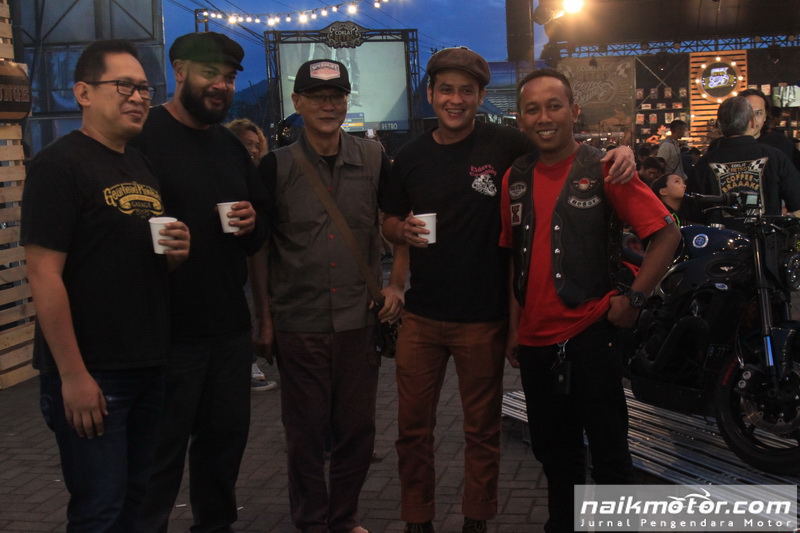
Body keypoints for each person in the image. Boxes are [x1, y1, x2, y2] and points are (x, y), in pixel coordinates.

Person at [381, 48, 636, 533]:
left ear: (480, 97)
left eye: (467, 91)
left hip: (484, 317)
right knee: (412, 431)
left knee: (482, 431)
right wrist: (401, 230)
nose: (456, 100)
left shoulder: (506, 144)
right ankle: (417, 519)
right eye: (446, 89)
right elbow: (388, 220)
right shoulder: (410, 156)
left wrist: (622, 152)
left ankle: (476, 520)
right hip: (421, 316)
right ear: (431, 94)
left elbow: (561, 142)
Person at [501, 68, 680, 533]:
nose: (544, 117)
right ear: (520, 119)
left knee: (610, 457)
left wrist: (635, 299)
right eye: (532, 109)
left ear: (574, 111)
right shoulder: (515, 178)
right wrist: (515, 327)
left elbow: (667, 234)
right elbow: (517, 260)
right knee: (554, 457)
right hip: (536, 345)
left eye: (554, 106)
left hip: (592, 338)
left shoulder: (605, 169)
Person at [21, 39, 190, 531]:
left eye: (144, 88)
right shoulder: (59, 165)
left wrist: (175, 255)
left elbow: (131, 264)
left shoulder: (139, 164)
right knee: (100, 510)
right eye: (124, 86)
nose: (138, 97)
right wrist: (72, 376)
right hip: (94, 371)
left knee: (138, 503)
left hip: (147, 362)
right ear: (83, 93)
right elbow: (44, 275)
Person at [250, 59, 406, 533]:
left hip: (359, 322)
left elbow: (399, 223)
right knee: (305, 433)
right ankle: (312, 521)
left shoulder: (374, 158)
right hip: (299, 324)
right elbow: (259, 248)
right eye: (317, 98)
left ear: (346, 101)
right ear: (297, 103)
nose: (327, 106)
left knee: (357, 430)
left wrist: (397, 284)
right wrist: (264, 320)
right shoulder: (275, 166)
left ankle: (344, 518)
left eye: (336, 96)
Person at [133, 32, 268, 532]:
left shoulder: (230, 147)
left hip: (227, 330)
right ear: (179, 71)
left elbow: (259, 236)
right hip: (165, 333)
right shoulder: (141, 138)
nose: (221, 85)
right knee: (158, 458)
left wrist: (253, 222)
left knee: (223, 450)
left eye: (229, 78)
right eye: (210, 73)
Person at [224, 118, 277, 392]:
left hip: (257, 256)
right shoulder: (226, 175)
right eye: (247, 144)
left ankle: (250, 362)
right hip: (235, 260)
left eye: (257, 145)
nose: (254, 150)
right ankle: (249, 364)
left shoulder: (259, 176)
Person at [693, 96, 800, 230]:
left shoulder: (704, 164)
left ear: (719, 125)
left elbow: (693, 216)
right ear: (752, 122)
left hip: (721, 242)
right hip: (766, 240)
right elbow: (797, 206)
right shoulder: (775, 157)